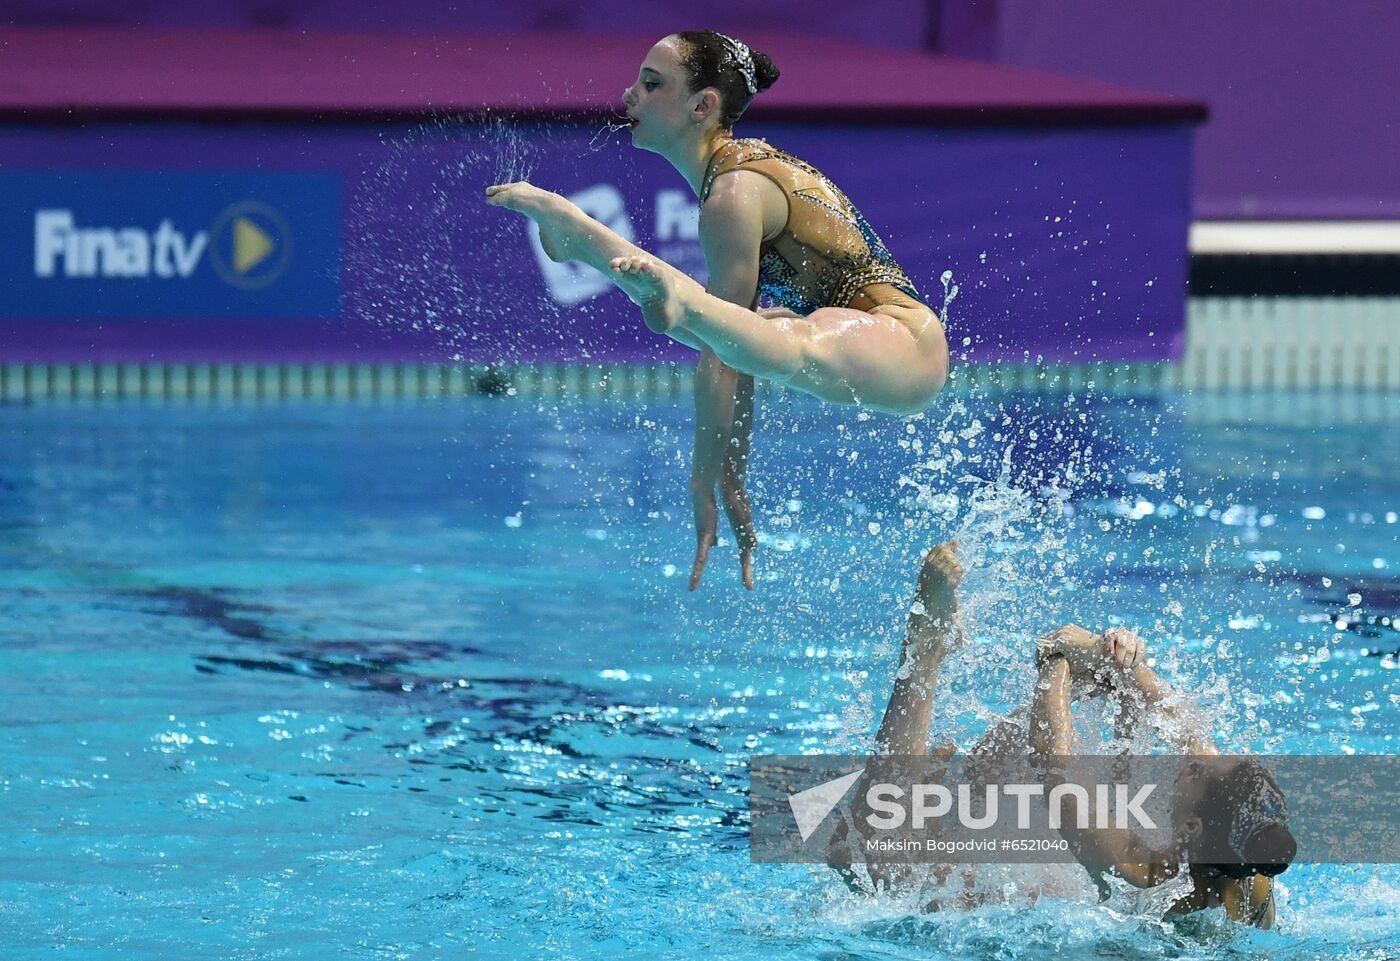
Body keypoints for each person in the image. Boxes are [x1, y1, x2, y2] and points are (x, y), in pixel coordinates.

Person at [486, 32, 950, 592]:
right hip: (846, 341)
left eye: (652, 84)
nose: (629, 94)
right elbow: (737, 348)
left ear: (702, 105)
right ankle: (592, 246)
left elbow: (726, 357)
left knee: (773, 335)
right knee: (758, 331)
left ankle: (590, 241)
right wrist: (731, 474)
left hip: (907, 347)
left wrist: (707, 481)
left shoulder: (733, 195)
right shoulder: (734, 178)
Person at [830, 541, 1294, 928]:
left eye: (1199, 771)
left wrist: (1054, 657)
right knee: (981, 777)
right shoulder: (1248, 867)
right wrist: (1124, 664)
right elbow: (1188, 729)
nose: (1192, 758)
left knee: (890, 853)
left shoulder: (1137, 865)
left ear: (1192, 827)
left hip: (1040, 928)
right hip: (1075, 902)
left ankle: (924, 652)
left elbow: (1053, 762)